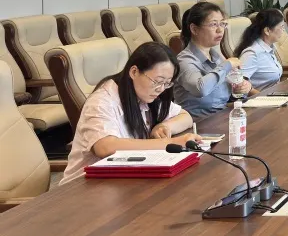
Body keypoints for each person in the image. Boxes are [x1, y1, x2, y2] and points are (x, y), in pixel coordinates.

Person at [60, 43, 200, 185]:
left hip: (122, 179)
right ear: (134, 72)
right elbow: (105, 147)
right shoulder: (102, 101)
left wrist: (165, 126)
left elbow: (185, 117)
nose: (161, 89)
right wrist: (170, 143)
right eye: (157, 81)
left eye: (167, 83)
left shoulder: (147, 95)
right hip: (83, 186)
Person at [174, 1, 252, 117]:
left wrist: (240, 88)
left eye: (222, 24)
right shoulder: (184, 60)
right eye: (213, 24)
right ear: (194, 29)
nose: (220, 30)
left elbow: (224, 96)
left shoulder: (215, 56)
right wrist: (227, 65)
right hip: (197, 123)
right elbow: (200, 89)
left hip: (221, 117)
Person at [234, 9, 286, 90]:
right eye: (281, 27)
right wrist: (259, 95)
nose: (283, 30)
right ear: (267, 31)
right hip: (260, 97)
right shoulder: (252, 53)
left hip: (274, 93)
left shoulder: (269, 48)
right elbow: (239, 85)